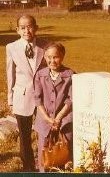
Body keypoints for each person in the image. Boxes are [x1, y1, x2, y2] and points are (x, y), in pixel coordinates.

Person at [6, 15, 47, 171]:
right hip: (22, 97)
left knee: (44, 132)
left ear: (36, 27)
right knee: (24, 136)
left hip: (42, 97)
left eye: (29, 26)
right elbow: (11, 74)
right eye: (22, 27)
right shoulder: (11, 47)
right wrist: (10, 100)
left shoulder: (44, 45)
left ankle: (46, 162)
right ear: (17, 30)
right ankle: (28, 167)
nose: (26, 30)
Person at [34, 42, 74, 172]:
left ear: (62, 56)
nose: (52, 61)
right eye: (48, 57)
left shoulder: (70, 75)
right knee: (44, 153)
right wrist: (47, 118)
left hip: (64, 119)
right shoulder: (40, 74)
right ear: (44, 57)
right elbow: (37, 99)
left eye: (55, 57)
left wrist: (58, 118)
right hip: (44, 120)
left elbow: (71, 99)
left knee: (64, 151)